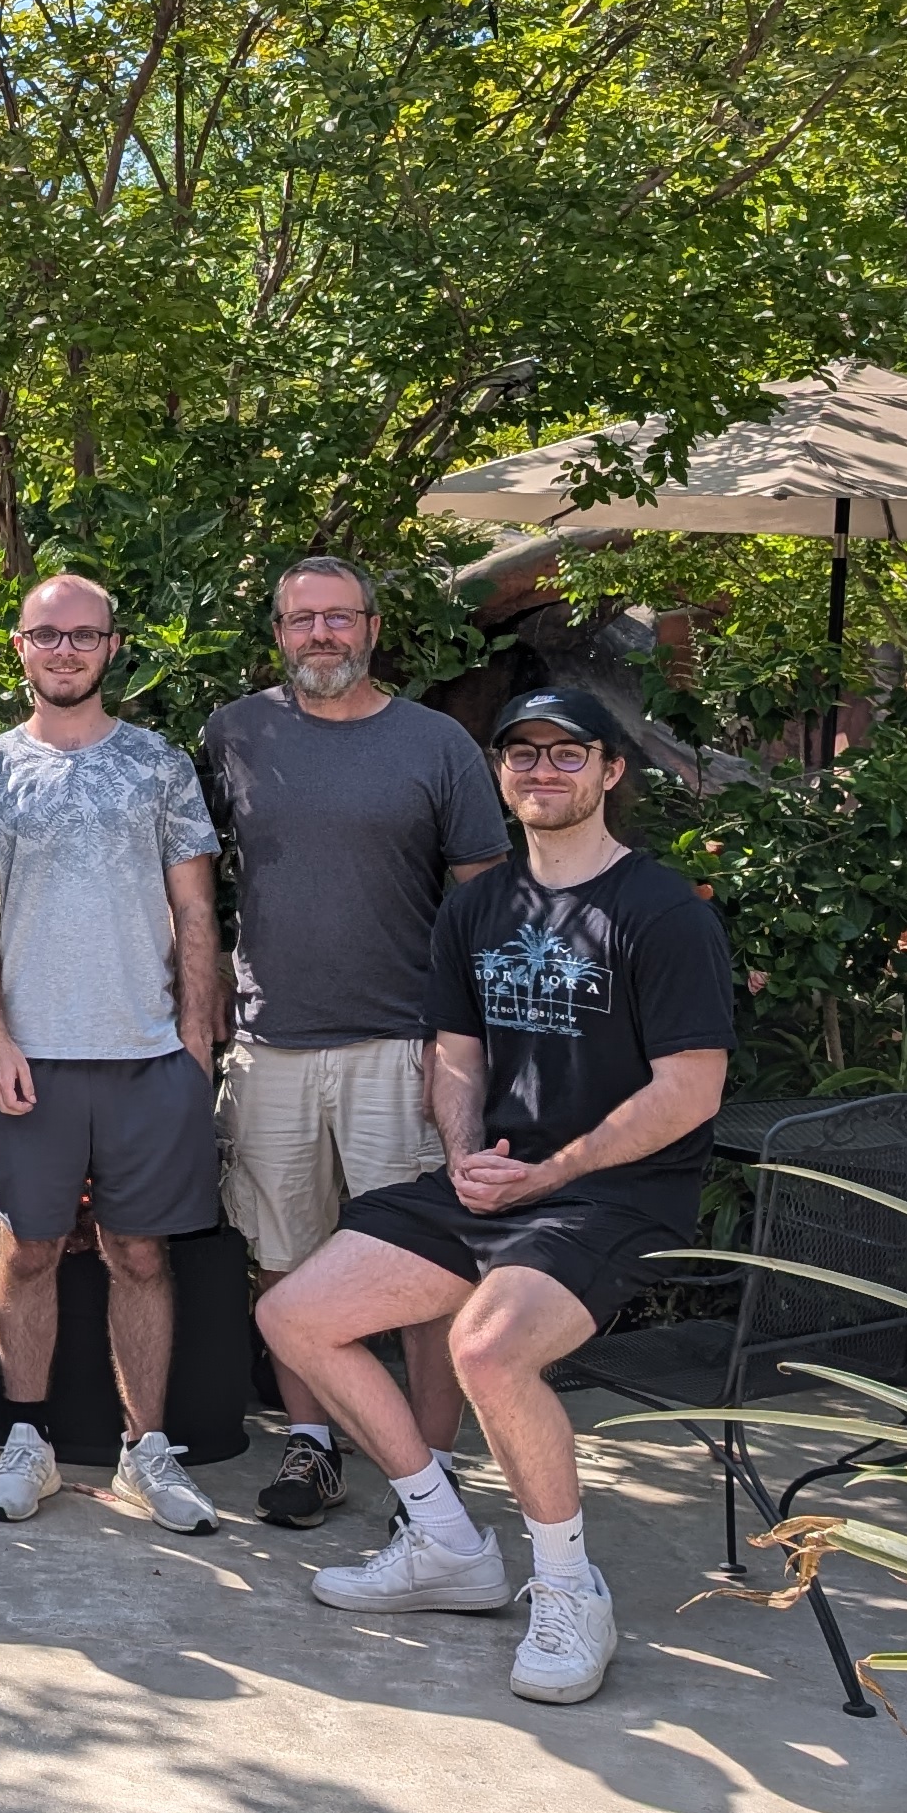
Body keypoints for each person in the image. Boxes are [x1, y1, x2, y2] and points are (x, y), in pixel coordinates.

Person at [261, 687, 733, 1709]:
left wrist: (552, 1173)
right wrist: (467, 1153)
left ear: (612, 772)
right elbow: (457, 1053)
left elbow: (692, 1089)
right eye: (522, 754)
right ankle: (444, 1543)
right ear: (500, 773)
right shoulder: (479, 904)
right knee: (295, 1314)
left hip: (615, 1196)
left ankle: (569, 1587)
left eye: (569, 755)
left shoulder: (659, 911)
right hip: (496, 1182)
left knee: (485, 1347)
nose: (542, 771)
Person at [207, 553, 510, 1528]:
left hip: (401, 1049)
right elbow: (192, 879)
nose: (322, 635)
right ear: (279, 634)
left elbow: (488, 904)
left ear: (374, 629)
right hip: (271, 1048)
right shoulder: (235, 734)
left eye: (341, 618)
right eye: (303, 620)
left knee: (422, 1271)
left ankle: (432, 1470)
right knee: (285, 1259)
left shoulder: (438, 745)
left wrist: (470, 1043)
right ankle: (313, 1446)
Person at [0, 572, 226, 1534]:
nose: (64, 650)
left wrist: (195, 1043)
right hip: (30, 1055)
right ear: (19, 647)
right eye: (45, 635)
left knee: (141, 1255)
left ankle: (145, 1451)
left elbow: (196, 909)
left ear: (113, 646)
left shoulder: (158, 765)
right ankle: (26, 1442)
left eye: (83, 635)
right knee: (26, 1250)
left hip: (148, 1054)